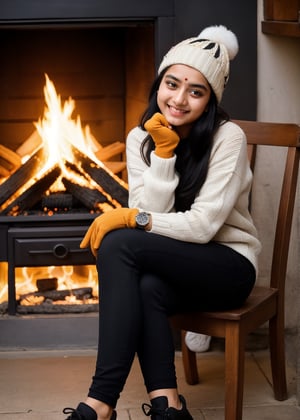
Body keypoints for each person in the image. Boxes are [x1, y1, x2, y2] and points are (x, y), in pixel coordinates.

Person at [63, 24, 261, 420]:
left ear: (210, 100)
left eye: (196, 91)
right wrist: (165, 155)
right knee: (147, 285)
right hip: (175, 267)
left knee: (120, 242)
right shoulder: (142, 138)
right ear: (159, 83)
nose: (179, 99)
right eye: (172, 84)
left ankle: (100, 402)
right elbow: (157, 218)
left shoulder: (229, 138)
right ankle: (168, 406)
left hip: (228, 265)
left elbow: (203, 226)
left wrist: (132, 217)